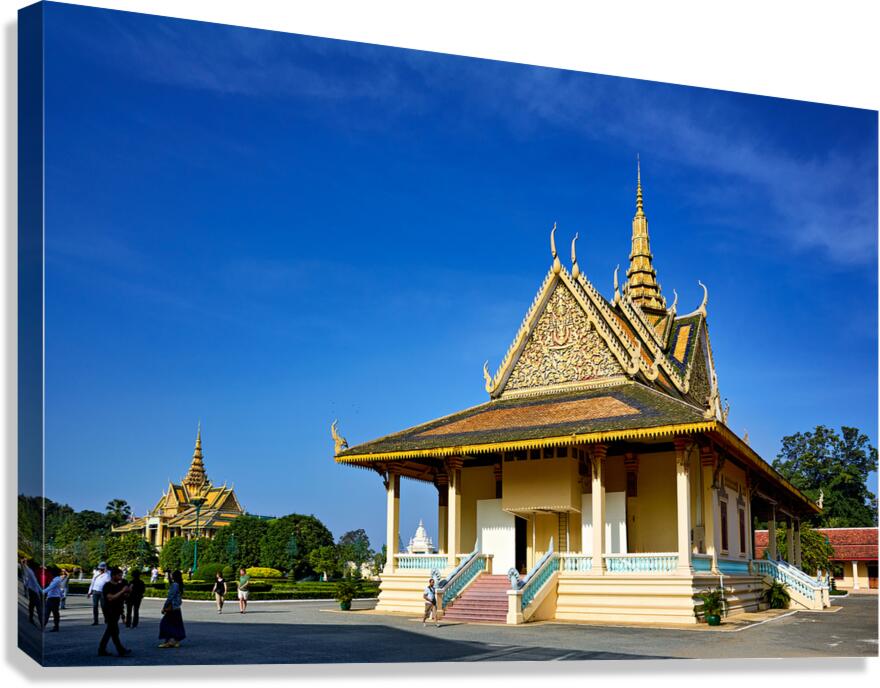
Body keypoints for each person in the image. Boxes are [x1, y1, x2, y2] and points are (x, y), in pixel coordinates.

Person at [98, 567, 132, 657]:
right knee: (114, 631)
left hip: (117, 611)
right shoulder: (107, 586)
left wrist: (128, 591)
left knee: (110, 631)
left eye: (121, 575)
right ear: (113, 576)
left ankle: (101, 649)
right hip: (109, 611)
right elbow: (111, 598)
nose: (121, 577)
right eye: (119, 575)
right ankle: (121, 650)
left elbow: (123, 597)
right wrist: (122, 591)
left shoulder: (119, 585)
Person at [158, 570, 186, 648]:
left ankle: (168, 641)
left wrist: (164, 607)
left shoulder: (175, 585)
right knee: (177, 625)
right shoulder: (180, 585)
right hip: (177, 608)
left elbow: (170, 597)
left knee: (165, 624)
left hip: (172, 607)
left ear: (174, 577)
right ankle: (176, 641)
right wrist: (169, 574)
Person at [42, 567, 68, 632]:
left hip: (53, 599)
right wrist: (62, 596)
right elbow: (58, 589)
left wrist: (42, 591)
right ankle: (55, 627)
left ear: (53, 573)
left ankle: (51, 627)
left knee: (49, 613)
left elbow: (51, 587)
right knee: (53, 613)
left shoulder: (56, 580)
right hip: (53, 598)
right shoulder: (56, 579)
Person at [20, 558, 43, 627]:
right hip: (34, 591)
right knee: (38, 606)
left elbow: (24, 568)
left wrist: (23, 563)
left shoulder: (29, 570)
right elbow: (35, 582)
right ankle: (42, 623)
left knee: (32, 605)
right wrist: (41, 591)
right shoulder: (30, 571)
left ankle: (31, 618)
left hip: (32, 590)